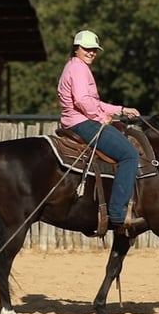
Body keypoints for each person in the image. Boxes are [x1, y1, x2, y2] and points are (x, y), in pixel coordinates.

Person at [57, 29, 145, 230]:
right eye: (87, 49)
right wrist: (101, 118)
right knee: (129, 154)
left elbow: (94, 102)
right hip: (82, 123)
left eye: (94, 50)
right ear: (76, 49)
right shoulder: (79, 69)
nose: (91, 53)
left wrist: (120, 110)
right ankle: (117, 213)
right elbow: (82, 100)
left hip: (77, 120)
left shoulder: (73, 66)